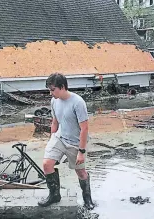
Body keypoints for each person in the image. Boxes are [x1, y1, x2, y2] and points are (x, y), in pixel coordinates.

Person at [38, 73, 94, 210]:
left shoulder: (78, 102)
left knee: (80, 172)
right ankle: (54, 195)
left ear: (62, 87)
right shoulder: (54, 101)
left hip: (75, 143)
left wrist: (81, 151)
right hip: (59, 138)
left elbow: (84, 128)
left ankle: (88, 199)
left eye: (53, 89)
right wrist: (52, 140)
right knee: (47, 164)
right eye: (49, 90)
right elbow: (55, 121)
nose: (51, 93)